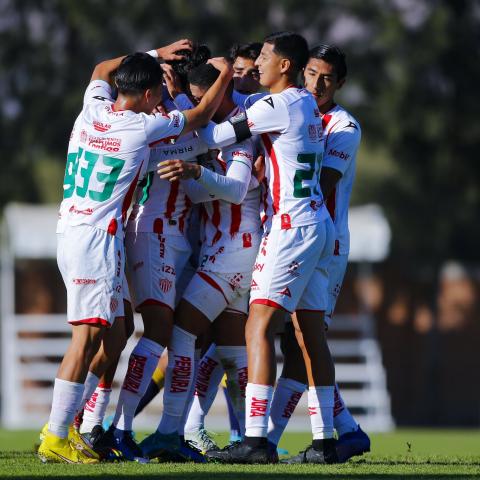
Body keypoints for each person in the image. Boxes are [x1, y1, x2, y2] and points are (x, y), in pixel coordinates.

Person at [37, 41, 233, 464]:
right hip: (97, 239)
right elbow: (199, 117)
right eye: (157, 94)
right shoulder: (141, 128)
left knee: (115, 333)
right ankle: (56, 435)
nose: (162, 99)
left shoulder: (92, 107)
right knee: (87, 337)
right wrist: (228, 74)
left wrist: (155, 52)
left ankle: (73, 426)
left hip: (71, 230)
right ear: (147, 96)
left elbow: (100, 65)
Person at [166, 31, 336, 464]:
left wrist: (171, 140)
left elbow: (217, 135)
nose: (255, 64)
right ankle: (325, 438)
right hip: (317, 222)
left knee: (257, 326)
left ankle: (256, 441)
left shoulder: (273, 104)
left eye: (262, 56)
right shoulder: (308, 105)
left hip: (289, 224)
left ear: (285, 65)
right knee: (310, 334)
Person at [137, 62, 262, 461]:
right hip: (225, 252)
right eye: (191, 97)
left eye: (198, 97)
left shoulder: (240, 132)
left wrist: (193, 170)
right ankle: (254, 441)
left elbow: (237, 189)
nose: (195, 104)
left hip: (233, 252)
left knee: (181, 334)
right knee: (232, 353)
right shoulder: (209, 133)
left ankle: (171, 431)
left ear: (217, 95)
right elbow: (202, 191)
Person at [267, 44, 370, 464]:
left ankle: (268, 438)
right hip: (295, 236)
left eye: (327, 77)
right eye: (311, 73)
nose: (317, 83)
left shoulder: (344, 125)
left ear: (340, 83)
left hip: (324, 245)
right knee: (296, 341)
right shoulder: (293, 109)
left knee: (301, 338)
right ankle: (342, 431)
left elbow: (320, 182)